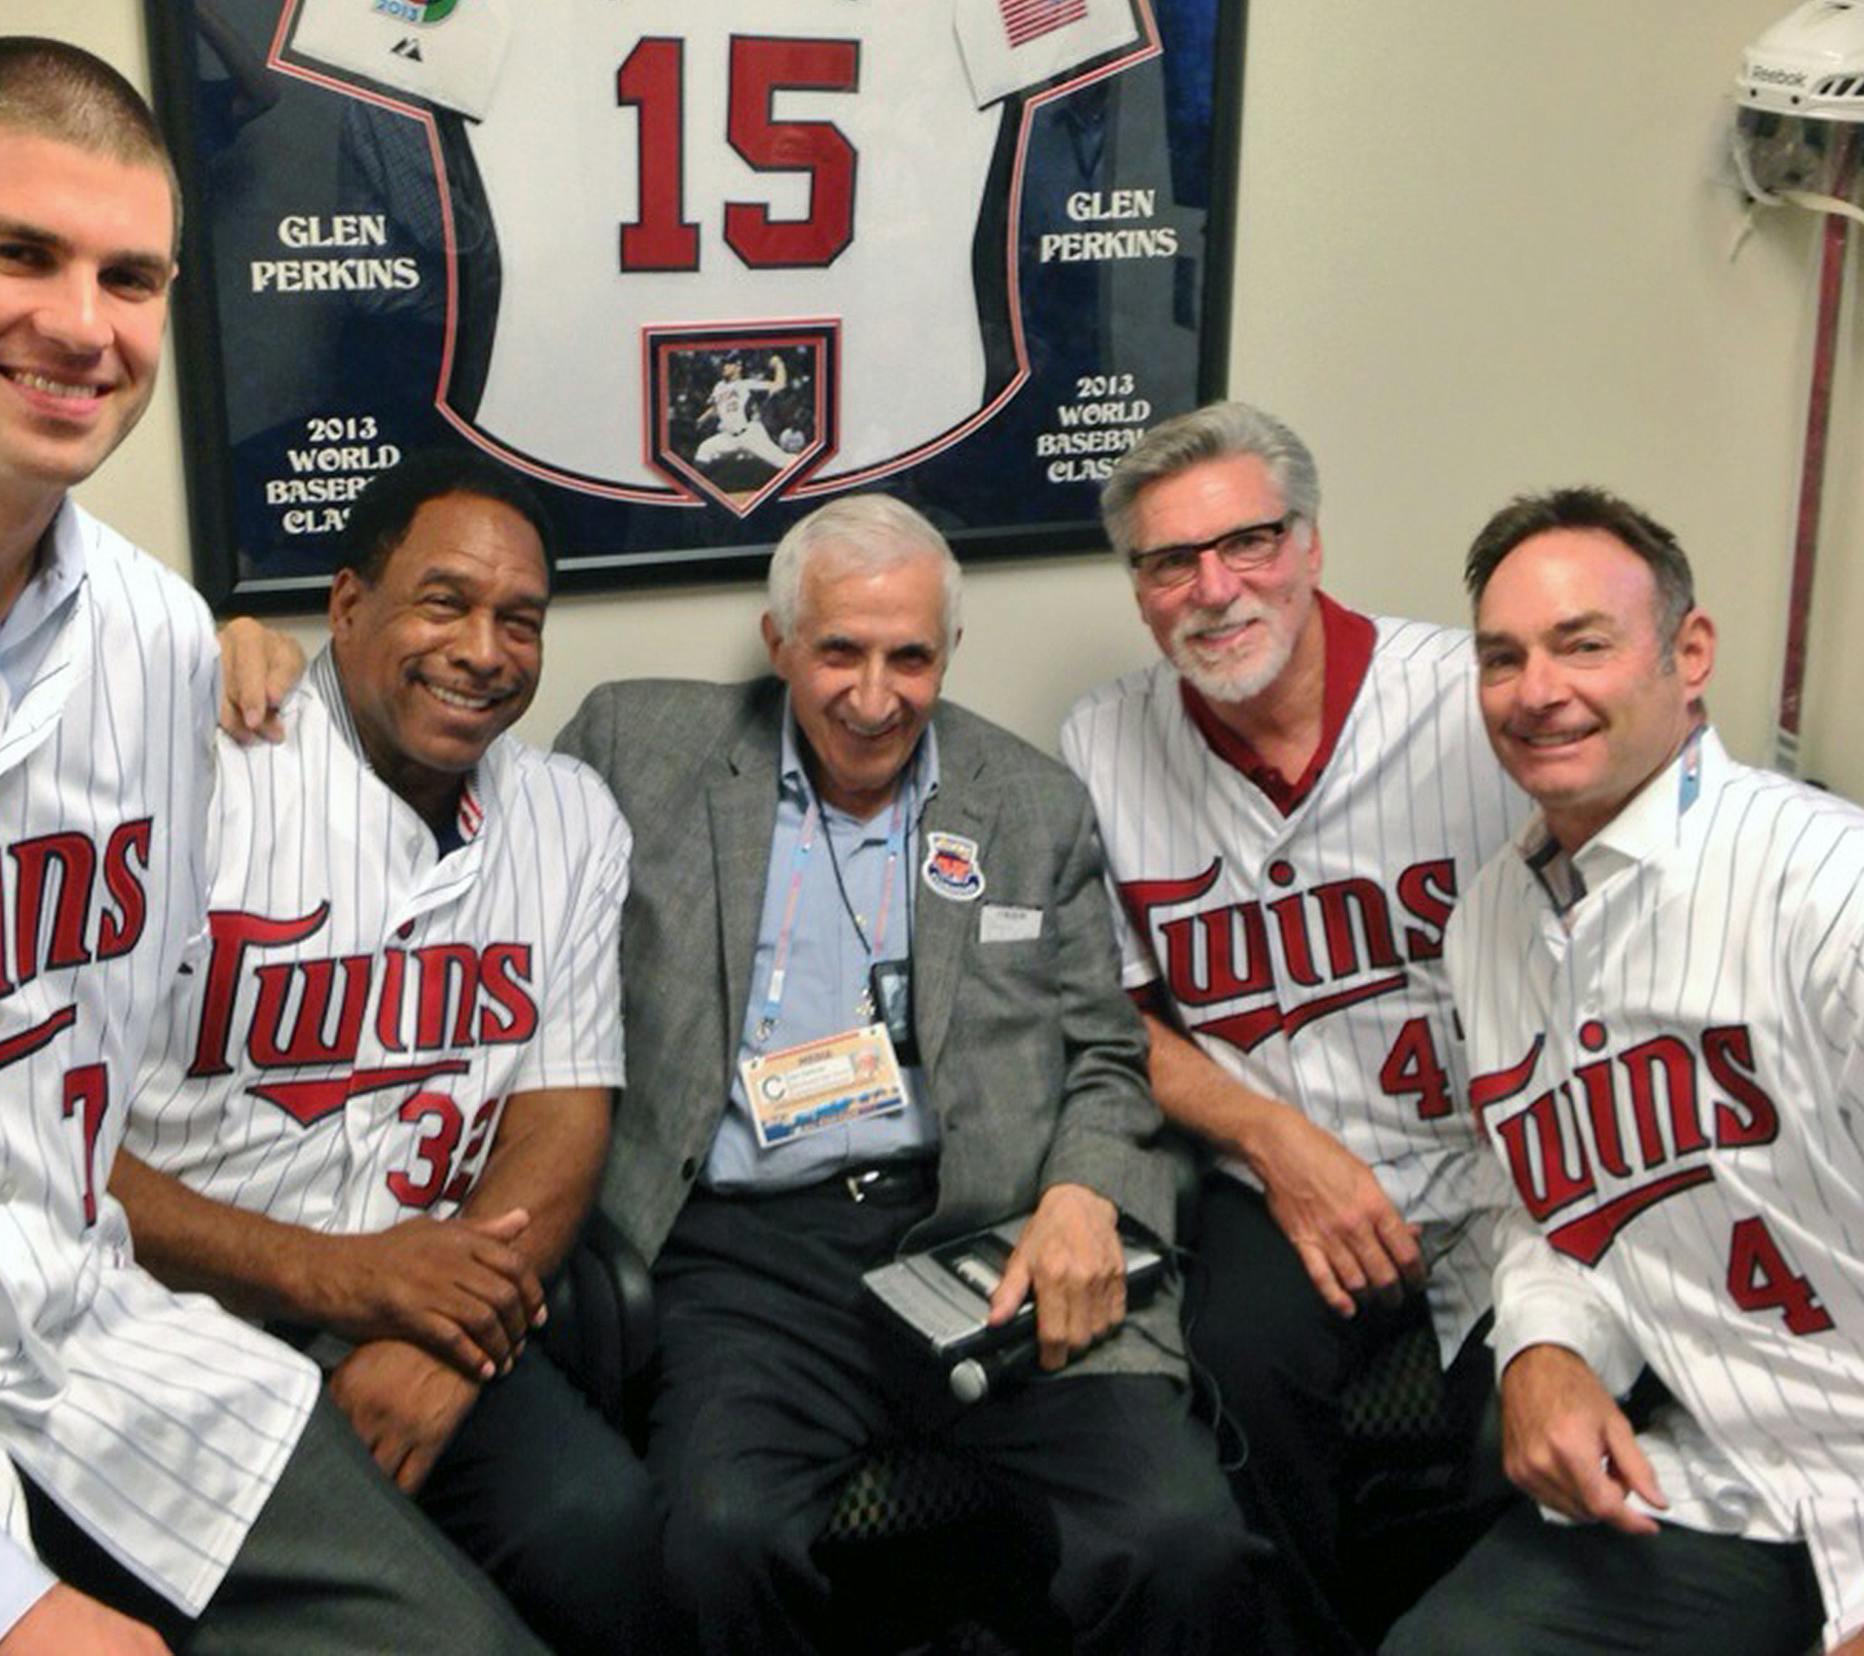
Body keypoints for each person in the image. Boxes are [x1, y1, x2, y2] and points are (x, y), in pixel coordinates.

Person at [0, 37, 536, 1655]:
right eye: (20, 252)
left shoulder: (162, 639)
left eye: (132, 276)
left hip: (82, 1342)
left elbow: (113, 1063)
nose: (84, 324)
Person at [554, 493, 1280, 1654]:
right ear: (778, 641)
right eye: (838, 651)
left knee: (1181, 1534)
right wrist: (286, 680)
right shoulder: (641, 749)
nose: (875, 696)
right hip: (751, 1257)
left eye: (911, 657)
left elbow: (1106, 1053)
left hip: (988, 1237)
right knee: (715, 1541)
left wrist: (1084, 1190)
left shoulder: (1030, 805)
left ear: (949, 654)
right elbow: (464, 830)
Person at [112, 450, 666, 1656]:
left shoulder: (568, 817)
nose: (485, 649)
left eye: (520, 620)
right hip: (170, 1337)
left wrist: (457, 1341)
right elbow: (60, 1155)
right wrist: (341, 1281)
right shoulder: (189, 769)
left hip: (430, 1314)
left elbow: (560, 1119)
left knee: (615, 1535)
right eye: (444, 601)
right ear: (348, 605)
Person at [1060, 402, 1523, 1646]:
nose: (1215, 589)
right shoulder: (1103, 742)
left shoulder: (1477, 702)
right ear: (1141, 590)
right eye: (1170, 562)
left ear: (1310, 545)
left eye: (1249, 542)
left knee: (1519, 1438)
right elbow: (1110, 1011)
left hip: (1499, 1165)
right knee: (1236, 1396)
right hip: (1272, 1176)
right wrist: (1271, 1140)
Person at [1383, 488, 1864, 1656]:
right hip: (1723, 1477)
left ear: (1687, 655)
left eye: (1583, 644)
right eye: (1503, 658)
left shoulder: (1827, 890)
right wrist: (1544, 1345)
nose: (1538, 690)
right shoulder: (1490, 918)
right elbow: (1557, 1201)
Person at [693, 354, 793, 474]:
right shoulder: (719, 387)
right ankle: (701, 489)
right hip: (728, 437)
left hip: (750, 434)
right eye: (723, 364)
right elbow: (716, 407)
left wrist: (779, 364)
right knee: (704, 450)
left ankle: (807, 471)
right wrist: (702, 419)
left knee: (783, 462)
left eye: (728, 364)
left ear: (738, 367)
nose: (724, 367)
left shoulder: (748, 385)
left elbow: (779, 385)